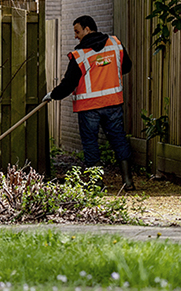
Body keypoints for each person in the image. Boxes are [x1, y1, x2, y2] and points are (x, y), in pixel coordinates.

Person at [43, 15, 135, 190]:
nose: (76, 36)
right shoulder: (115, 44)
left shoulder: (80, 55)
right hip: (112, 103)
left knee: (91, 143)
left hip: (89, 108)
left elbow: (69, 83)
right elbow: (127, 66)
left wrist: (53, 95)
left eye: (77, 31)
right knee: (119, 140)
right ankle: (128, 181)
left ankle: (97, 184)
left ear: (87, 29)